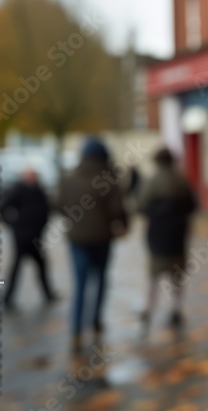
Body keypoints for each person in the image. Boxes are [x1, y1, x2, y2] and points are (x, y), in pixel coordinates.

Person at [55, 138, 129, 352]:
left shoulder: (67, 179)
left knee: (80, 283)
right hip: (102, 239)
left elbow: (59, 206)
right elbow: (118, 212)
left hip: (77, 239)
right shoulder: (108, 181)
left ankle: (76, 329)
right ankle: (95, 320)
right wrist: (123, 225)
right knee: (101, 279)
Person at [136, 147, 198, 332]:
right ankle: (176, 309)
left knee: (154, 275)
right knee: (177, 276)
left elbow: (141, 205)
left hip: (157, 235)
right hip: (178, 235)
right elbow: (193, 205)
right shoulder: (182, 180)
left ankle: (148, 309)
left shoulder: (152, 181)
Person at [1, 167, 58, 309]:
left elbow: (46, 208)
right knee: (16, 268)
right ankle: (8, 298)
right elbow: (3, 207)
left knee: (42, 266)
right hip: (22, 237)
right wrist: (13, 224)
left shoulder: (39, 190)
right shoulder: (18, 190)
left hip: (36, 237)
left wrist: (44, 224)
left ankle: (48, 294)